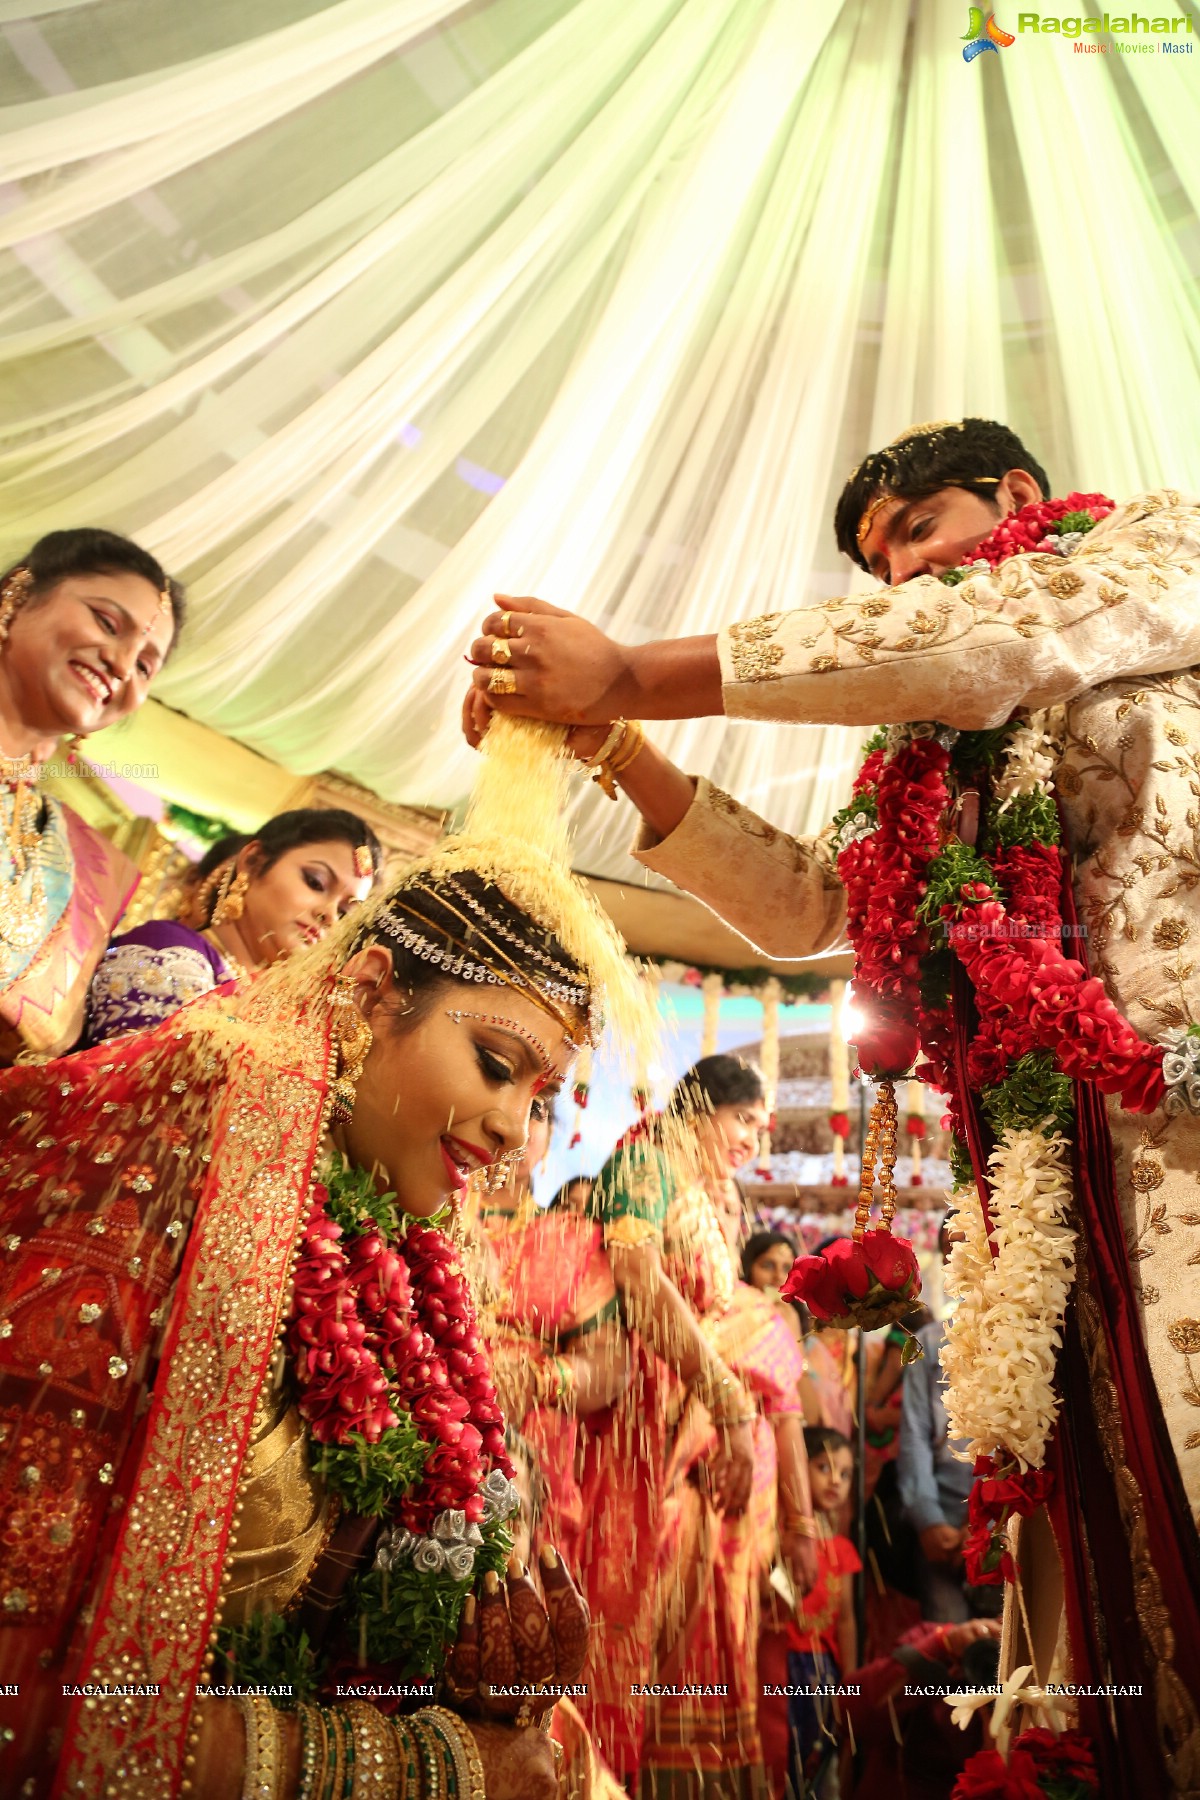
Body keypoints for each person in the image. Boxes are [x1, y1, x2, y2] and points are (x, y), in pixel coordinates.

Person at [463, 418, 1200, 1797]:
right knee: (1112, 1573)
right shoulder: (937, 758)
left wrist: (638, 667)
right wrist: (620, 741)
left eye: (919, 526)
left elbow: (998, 637)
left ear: (1022, 498)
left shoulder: (1149, 555)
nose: (900, 570)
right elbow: (815, 906)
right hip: (1064, 1195)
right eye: (875, 557)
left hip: (1187, 1129)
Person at [0, 820, 637, 1798]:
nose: (515, 1128)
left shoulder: (391, 1235)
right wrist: (438, 1768)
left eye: (543, 1092)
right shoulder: (184, 1190)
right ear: (373, 994)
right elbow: (40, 1709)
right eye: (499, 1066)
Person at [579, 1054, 818, 1794]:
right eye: (743, 1118)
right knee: (648, 1642)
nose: (754, 1138)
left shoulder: (708, 1194)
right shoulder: (645, 1168)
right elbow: (638, 1284)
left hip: (709, 1460)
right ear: (699, 1109)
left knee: (707, 1651)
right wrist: (733, 1409)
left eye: (761, 1125)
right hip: (646, 1452)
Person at [0, 528, 184, 1061]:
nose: (122, 665)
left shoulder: (85, 862)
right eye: (107, 622)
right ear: (18, 592)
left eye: (146, 665)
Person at [86, 808, 383, 1042]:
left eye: (345, 912)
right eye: (315, 882)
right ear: (253, 861)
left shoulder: (281, 1008)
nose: (328, 916)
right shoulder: (169, 947)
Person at [783, 1427, 860, 1800]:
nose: (835, 1480)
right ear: (798, 1468)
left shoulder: (841, 1549)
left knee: (812, 1757)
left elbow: (845, 1620)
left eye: (845, 1474)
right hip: (781, 1664)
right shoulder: (779, 1537)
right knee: (780, 1753)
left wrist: (851, 1680)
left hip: (821, 1671)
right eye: (823, 1467)